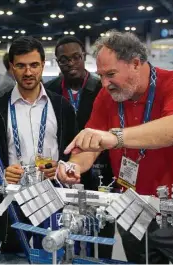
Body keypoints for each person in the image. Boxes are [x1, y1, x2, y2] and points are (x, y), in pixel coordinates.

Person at [57, 30, 173, 264]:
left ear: (135, 63)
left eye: (111, 74)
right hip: (131, 209)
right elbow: (91, 143)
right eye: (101, 75)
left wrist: (115, 138)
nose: (104, 84)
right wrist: (74, 166)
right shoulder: (107, 97)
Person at [0, 36, 77, 253]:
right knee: (15, 256)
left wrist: (61, 166)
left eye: (34, 65)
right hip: (13, 197)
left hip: (54, 194)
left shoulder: (61, 106)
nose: (28, 72)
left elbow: (75, 150)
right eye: (21, 66)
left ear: (43, 65)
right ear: (11, 67)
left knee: (54, 254)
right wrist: (0, 172)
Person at [45, 35, 115, 259]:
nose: (71, 63)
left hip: (102, 168)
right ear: (57, 62)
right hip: (65, 167)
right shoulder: (50, 90)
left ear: (84, 57)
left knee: (102, 225)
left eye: (76, 57)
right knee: (66, 226)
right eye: (64, 60)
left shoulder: (102, 88)